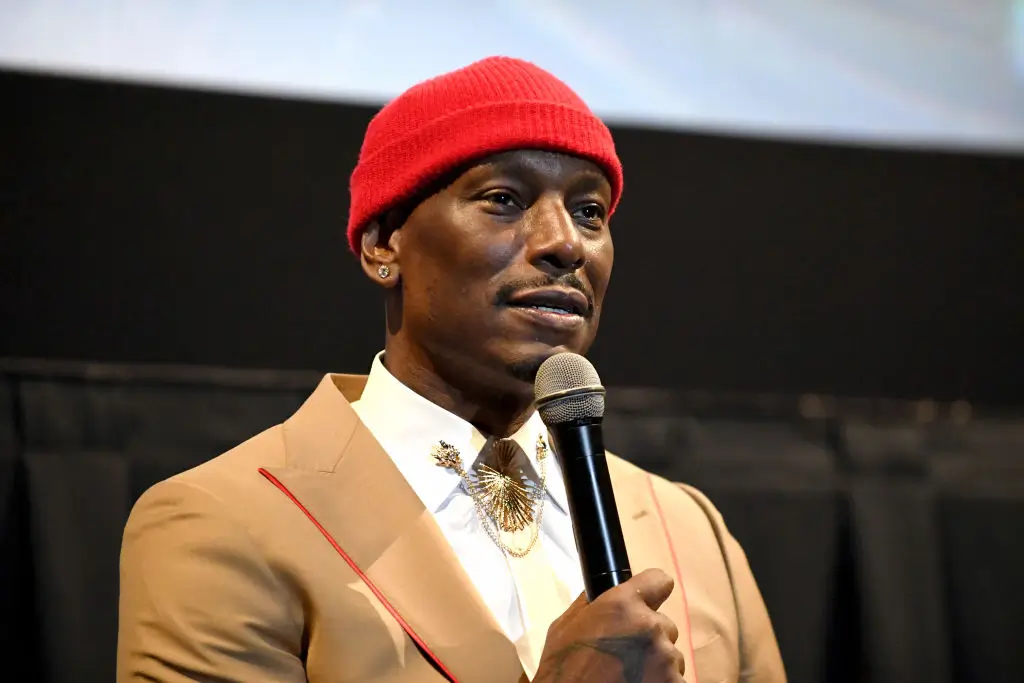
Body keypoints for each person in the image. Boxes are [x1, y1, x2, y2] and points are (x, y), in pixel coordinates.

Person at [117, 56, 786, 683]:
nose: (563, 243)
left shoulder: (693, 531)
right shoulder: (221, 523)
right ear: (384, 243)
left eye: (589, 212)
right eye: (504, 199)